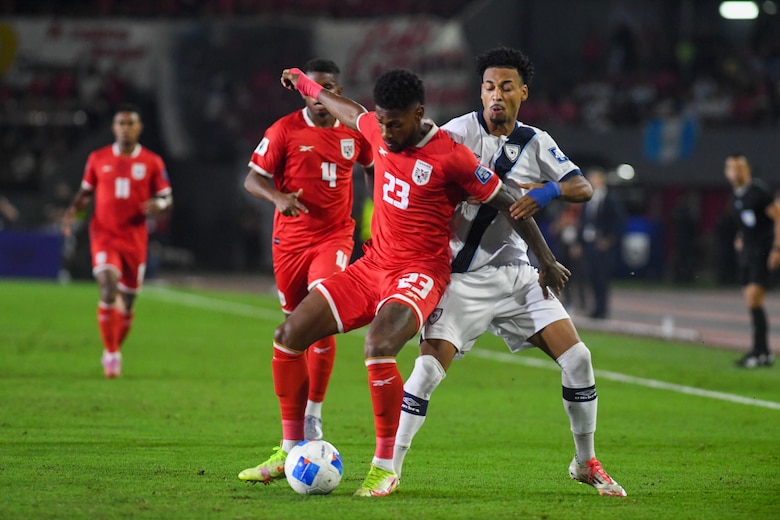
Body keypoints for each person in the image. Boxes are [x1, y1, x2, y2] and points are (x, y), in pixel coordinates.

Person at [237, 66, 568, 497]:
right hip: (373, 264)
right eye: (382, 122)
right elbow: (345, 108)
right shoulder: (376, 128)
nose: (387, 133)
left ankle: (383, 468)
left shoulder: (451, 155)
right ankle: (289, 448)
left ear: (419, 114)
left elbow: (509, 202)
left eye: (395, 124)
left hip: (420, 272)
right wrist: (304, 83)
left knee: (378, 346)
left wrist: (545, 259)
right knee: (288, 336)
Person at [393, 46, 627, 497]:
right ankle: (390, 467)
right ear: (480, 92)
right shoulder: (455, 133)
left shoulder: (536, 141)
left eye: (505, 87)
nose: (495, 95)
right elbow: (420, 180)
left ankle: (585, 462)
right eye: (488, 87)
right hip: (460, 279)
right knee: (425, 373)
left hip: (516, 274)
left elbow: (581, 187)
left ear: (523, 92)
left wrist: (548, 191)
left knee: (578, 359)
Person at [242, 58, 374, 440]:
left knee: (322, 308)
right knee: (295, 328)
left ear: (338, 92)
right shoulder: (283, 130)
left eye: (328, 88)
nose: (320, 95)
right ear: (303, 91)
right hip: (289, 243)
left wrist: (377, 209)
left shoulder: (354, 131)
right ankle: (295, 419)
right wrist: (277, 197)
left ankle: (313, 413)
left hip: (334, 236)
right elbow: (252, 179)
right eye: (314, 88)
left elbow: (372, 167)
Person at [62, 104, 172, 378]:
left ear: (139, 128)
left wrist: (158, 205)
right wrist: (72, 214)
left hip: (134, 239)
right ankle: (112, 353)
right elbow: (85, 193)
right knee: (108, 287)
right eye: (120, 124)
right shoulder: (97, 158)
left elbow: (166, 197)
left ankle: (112, 348)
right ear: (114, 128)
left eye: (130, 123)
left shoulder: (152, 161)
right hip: (104, 235)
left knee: (129, 301)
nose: (125, 128)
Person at [724, 153, 780, 368]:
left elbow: (778, 217)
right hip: (748, 252)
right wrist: (740, 237)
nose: (734, 172)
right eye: (731, 168)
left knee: (754, 299)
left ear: (746, 170)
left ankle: (759, 351)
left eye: (738, 168)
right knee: (751, 301)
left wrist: (777, 248)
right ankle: (763, 352)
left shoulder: (758, 191)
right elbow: (746, 223)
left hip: (763, 251)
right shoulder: (736, 195)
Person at [579, 166, 625, 319]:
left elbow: (617, 220)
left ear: (601, 180)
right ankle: (595, 308)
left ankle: (602, 309)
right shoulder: (588, 198)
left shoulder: (610, 198)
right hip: (589, 242)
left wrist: (609, 239)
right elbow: (583, 221)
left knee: (602, 278)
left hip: (603, 245)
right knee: (591, 276)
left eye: (593, 178)